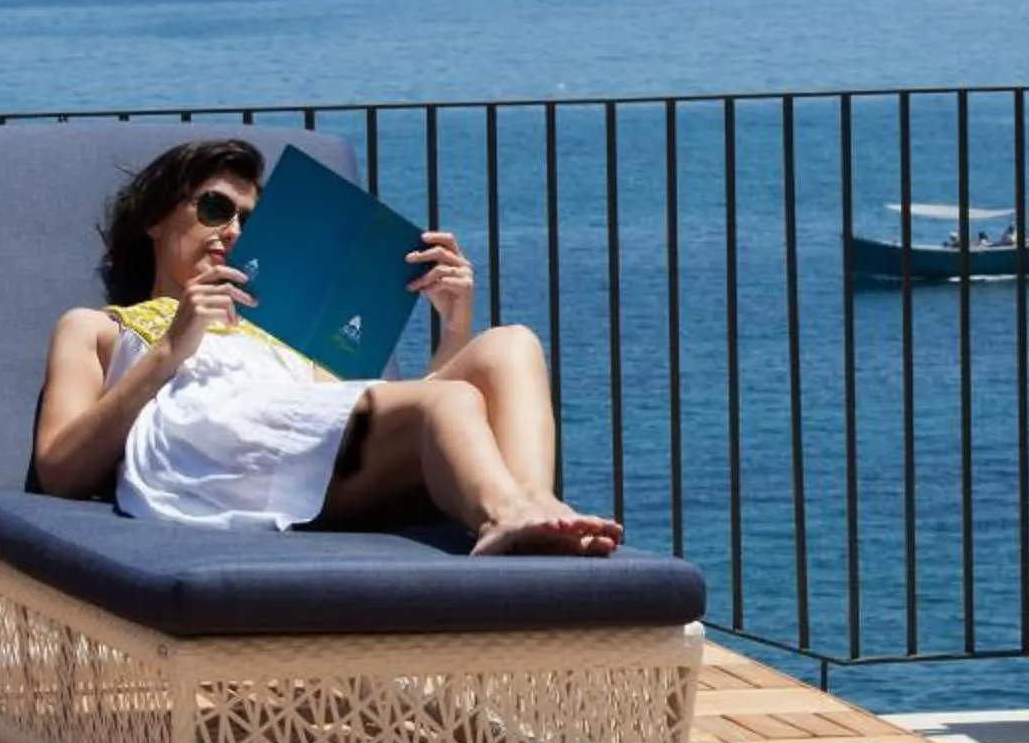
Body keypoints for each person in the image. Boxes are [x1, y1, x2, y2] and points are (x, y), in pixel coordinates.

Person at [32, 137, 622, 557]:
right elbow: (59, 469)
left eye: (247, 220)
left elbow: (378, 420)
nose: (232, 231)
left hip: (306, 453)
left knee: (510, 346)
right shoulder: (99, 326)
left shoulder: (283, 331)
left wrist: (453, 325)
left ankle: (536, 504)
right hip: (213, 463)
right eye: (214, 209)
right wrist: (171, 347)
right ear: (155, 221)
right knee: (449, 403)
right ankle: (504, 516)